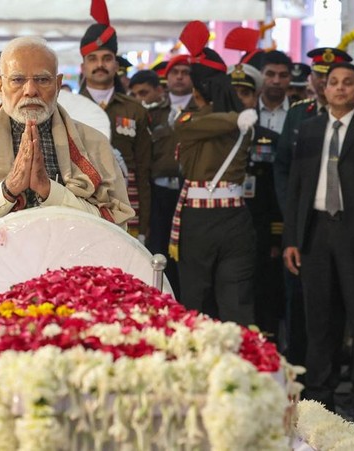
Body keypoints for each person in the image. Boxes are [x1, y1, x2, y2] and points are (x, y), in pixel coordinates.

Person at [0, 36, 133, 251]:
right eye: (17, 80)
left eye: (42, 79)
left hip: (71, 270)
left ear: (58, 84)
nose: (30, 90)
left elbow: (118, 230)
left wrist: (49, 191)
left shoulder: (94, 143)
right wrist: (6, 191)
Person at [283, 62, 354, 426]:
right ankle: (321, 400)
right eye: (333, 83)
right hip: (317, 234)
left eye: (348, 83)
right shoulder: (309, 129)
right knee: (319, 321)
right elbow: (297, 188)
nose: (340, 89)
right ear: (324, 88)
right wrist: (292, 239)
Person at [168, 21, 257, 326]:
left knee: (194, 301)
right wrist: (238, 117)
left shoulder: (192, 120)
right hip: (236, 218)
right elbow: (223, 121)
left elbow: (184, 126)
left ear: (198, 88)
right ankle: (244, 364)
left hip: (200, 218)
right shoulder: (244, 121)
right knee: (236, 302)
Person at [274, 46, 352, 369]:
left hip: (343, 222)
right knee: (301, 301)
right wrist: (291, 211)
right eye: (320, 76)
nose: (324, 83)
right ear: (311, 79)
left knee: (340, 304)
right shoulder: (299, 114)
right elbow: (283, 168)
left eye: (330, 77)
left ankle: (333, 370)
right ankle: (301, 372)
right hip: (305, 223)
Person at [78, 0, 151, 243]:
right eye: (93, 58)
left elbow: (143, 170)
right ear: (83, 66)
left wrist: (145, 226)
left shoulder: (134, 109)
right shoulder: (69, 107)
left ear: (116, 65)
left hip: (127, 202)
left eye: (106, 58)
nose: (100, 65)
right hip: (82, 201)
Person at [229, 63, 284, 340]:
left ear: (256, 97)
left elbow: (279, 191)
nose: (240, 99)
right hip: (224, 227)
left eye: (246, 93)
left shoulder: (271, 140)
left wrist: (276, 238)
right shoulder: (215, 138)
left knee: (264, 293)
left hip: (260, 229)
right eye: (234, 92)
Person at [129, 69, 180, 294]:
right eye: (136, 94)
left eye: (145, 92)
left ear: (159, 90)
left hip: (178, 190)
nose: (141, 98)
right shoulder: (142, 115)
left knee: (178, 251)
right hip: (154, 189)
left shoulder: (174, 114)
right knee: (155, 248)